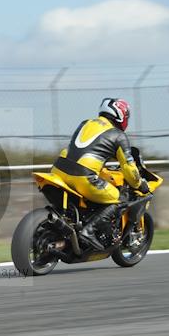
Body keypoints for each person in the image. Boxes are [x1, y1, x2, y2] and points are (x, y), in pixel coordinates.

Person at [51, 98, 149, 250]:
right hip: (83, 177)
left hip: (59, 170)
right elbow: (129, 169)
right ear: (121, 115)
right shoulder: (118, 136)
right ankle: (89, 231)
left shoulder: (85, 123)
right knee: (119, 200)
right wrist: (140, 184)